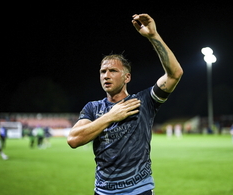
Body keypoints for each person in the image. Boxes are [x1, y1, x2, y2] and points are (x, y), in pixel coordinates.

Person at [67, 13, 183, 195]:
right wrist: (111, 116)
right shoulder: (92, 108)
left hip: (139, 190)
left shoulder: (144, 101)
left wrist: (153, 36)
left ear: (127, 77)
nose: (106, 75)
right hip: (103, 191)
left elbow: (175, 74)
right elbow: (73, 140)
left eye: (113, 71)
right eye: (102, 71)